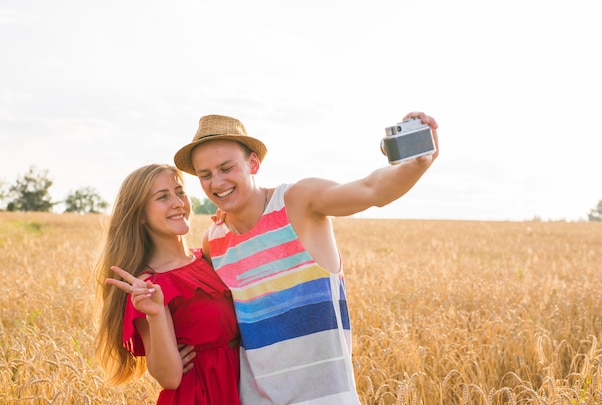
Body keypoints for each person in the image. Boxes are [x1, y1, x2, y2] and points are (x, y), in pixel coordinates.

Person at [173, 112, 439, 404]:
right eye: (205, 175)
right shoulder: (213, 240)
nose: (217, 182)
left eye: (226, 168)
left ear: (253, 163)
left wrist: (416, 163)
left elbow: (370, 190)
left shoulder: (299, 202)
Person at [94, 163, 241, 405]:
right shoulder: (147, 286)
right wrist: (155, 314)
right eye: (163, 197)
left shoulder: (206, 256)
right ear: (140, 215)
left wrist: (235, 222)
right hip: (202, 397)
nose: (178, 202)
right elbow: (170, 377)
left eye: (180, 192)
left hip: (244, 387)